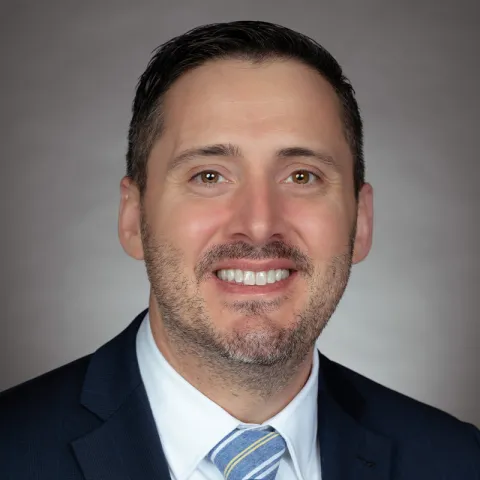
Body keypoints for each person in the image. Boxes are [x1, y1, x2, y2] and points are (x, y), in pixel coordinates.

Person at [0, 20, 479, 480]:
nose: (258, 224)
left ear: (361, 221)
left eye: (302, 176)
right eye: (208, 176)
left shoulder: (458, 462)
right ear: (132, 217)